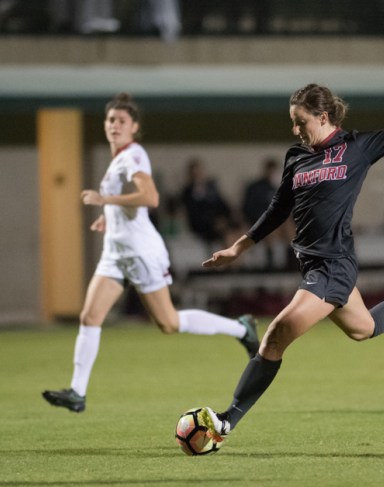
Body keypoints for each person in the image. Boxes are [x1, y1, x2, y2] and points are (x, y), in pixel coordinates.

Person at [196, 65, 384, 444]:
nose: (295, 130)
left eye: (301, 122)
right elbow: (278, 208)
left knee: (275, 337)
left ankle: (226, 421)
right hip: (313, 264)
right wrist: (239, 247)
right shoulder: (296, 157)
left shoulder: (356, 147)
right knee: (364, 328)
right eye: (292, 123)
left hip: (333, 266)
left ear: (323, 117)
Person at [42, 93, 260, 414]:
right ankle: (77, 392)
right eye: (110, 120)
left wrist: (104, 202)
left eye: (121, 121)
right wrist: (110, 217)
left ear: (134, 127)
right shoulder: (118, 159)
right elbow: (128, 202)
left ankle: (241, 328)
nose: (114, 125)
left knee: (168, 323)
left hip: (141, 253)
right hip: (116, 253)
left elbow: (150, 196)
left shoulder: (134, 155)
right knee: (90, 316)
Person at [180, 157, 237, 251]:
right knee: (227, 235)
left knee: (237, 232)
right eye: (195, 174)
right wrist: (213, 221)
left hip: (219, 221)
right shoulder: (187, 192)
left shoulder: (211, 187)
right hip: (204, 225)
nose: (198, 176)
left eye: (199, 172)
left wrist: (225, 217)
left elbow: (222, 204)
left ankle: (234, 262)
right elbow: (194, 213)